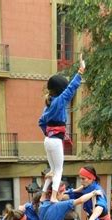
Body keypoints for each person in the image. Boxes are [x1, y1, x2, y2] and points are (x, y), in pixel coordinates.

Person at [39, 54, 85, 203]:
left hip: (47, 140)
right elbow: (72, 88)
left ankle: (42, 195)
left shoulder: (48, 104)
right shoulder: (60, 101)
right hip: (55, 142)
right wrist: (81, 70)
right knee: (59, 170)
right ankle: (53, 197)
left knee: (52, 170)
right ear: (60, 90)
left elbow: (41, 122)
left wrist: (50, 132)